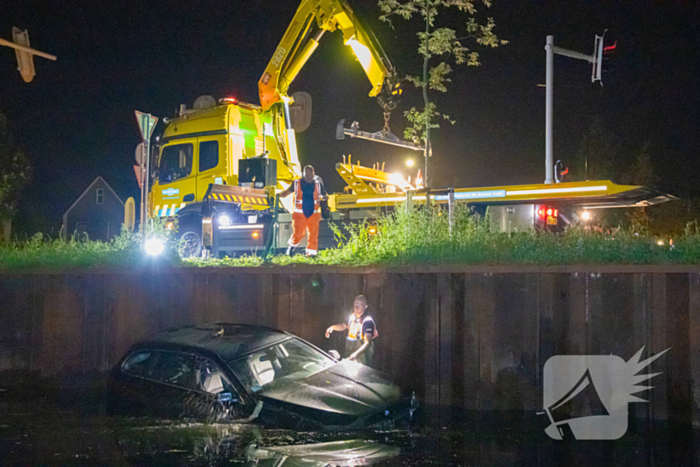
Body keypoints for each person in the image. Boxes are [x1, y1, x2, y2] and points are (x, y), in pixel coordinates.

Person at [280, 165, 326, 256]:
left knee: (313, 235)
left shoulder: (318, 184)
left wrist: (325, 198)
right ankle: (292, 247)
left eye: (310, 173)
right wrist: (276, 195)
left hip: (313, 214)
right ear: (303, 174)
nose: (309, 176)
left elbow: (324, 194)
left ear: (314, 174)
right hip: (299, 214)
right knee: (298, 234)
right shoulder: (296, 183)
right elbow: (285, 193)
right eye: (307, 174)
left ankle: (311, 254)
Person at [325, 295, 378, 367]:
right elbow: (344, 326)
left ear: (365, 307)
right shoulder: (352, 316)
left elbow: (367, 343)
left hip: (362, 358)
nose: (356, 307)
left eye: (359, 305)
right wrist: (332, 328)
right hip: (349, 353)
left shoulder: (367, 321)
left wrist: (356, 354)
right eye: (355, 304)